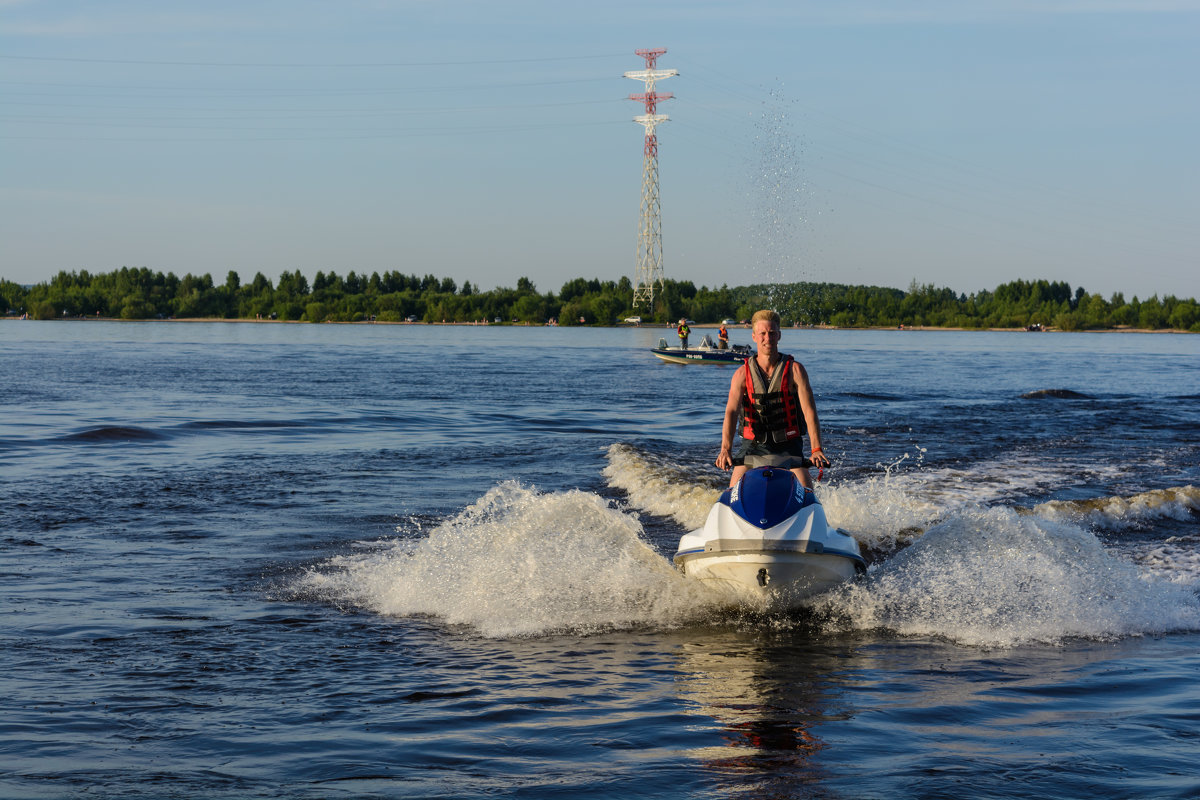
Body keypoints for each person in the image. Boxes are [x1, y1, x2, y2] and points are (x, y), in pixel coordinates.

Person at [714, 309, 829, 489]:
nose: (768, 338)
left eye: (772, 333)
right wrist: (725, 450)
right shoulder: (741, 374)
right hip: (752, 447)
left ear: (779, 336)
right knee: (733, 491)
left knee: (807, 494)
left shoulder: (796, 371)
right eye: (763, 333)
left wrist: (816, 449)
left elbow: (809, 411)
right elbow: (731, 412)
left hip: (789, 448)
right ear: (754, 336)